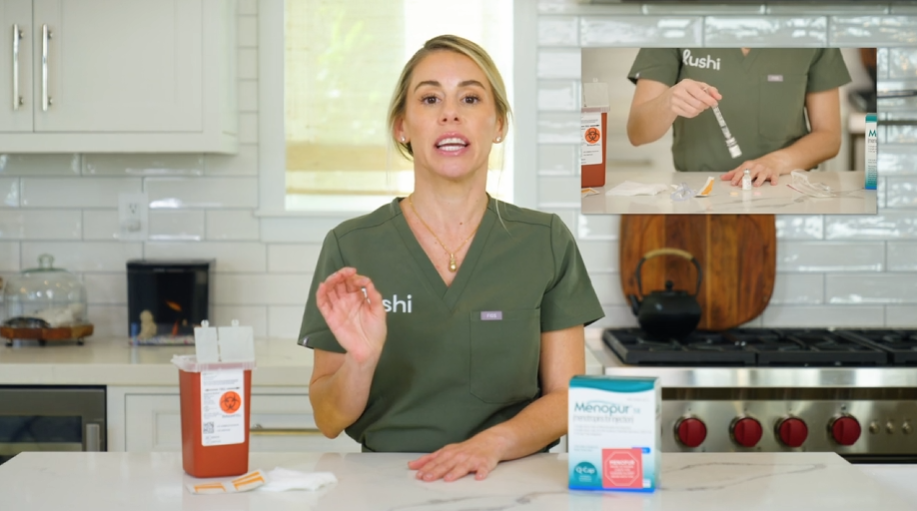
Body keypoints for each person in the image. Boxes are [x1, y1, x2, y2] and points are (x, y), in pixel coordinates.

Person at [297, 35, 604, 483]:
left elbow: (567, 397)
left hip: (512, 476)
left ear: (497, 123)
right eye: (430, 98)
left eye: (470, 97)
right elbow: (328, 420)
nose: (450, 113)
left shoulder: (545, 241)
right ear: (402, 126)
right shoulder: (351, 247)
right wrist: (360, 362)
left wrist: (492, 444)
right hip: (388, 482)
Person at [626, 48, 852, 186]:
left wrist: (776, 162)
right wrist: (668, 101)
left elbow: (829, 137)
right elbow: (637, 133)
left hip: (786, 188)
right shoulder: (675, 23)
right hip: (698, 195)